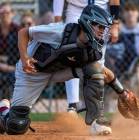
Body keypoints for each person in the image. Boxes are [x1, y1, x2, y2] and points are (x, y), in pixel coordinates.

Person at [0, 5, 128, 135]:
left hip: (60, 71)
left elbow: (102, 71)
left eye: (104, 28)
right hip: (33, 71)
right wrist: (24, 58)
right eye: (100, 26)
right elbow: (23, 33)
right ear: (88, 22)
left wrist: (123, 93)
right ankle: (4, 109)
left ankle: (97, 122)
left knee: (94, 70)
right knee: (16, 125)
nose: (103, 32)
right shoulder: (60, 31)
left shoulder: (93, 47)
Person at [53, 0, 120, 114]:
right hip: (76, 10)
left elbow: (114, 1)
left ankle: (96, 105)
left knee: (98, 61)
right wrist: (57, 21)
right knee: (72, 55)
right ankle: (72, 105)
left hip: (101, 12)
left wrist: (115, 24)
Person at [109, 2, 139, 106]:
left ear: (138, 13)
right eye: (127, 11)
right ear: (123, 14)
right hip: (123, 62)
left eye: (133, 10)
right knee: (110, 78)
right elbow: (112, 49)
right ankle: (109, 106)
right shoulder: (120, 29)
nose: (130, 13)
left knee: (138, 77)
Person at [0, 2, 19, 99]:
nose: (4, 15)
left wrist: (8, 68)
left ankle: (13, 106)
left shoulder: (18, 31)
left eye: (7, 12)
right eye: (2, 12)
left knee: (14, 78)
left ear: (12, 14)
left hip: (15, 67)